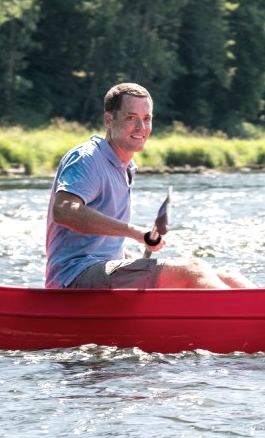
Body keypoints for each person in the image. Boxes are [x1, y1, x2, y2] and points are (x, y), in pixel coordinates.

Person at [45, 83, 254, 289]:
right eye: (131, 118)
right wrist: (138, 233)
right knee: (194, 269)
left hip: (102, 272)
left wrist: (133, 260)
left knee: (228, 275)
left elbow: (102, 243)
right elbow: (64, 211)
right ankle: (250, 322)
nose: (141, 128)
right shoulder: (87, 158)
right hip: (72, 278)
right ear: (109, 120)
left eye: (146, 119)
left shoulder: (125, 167)